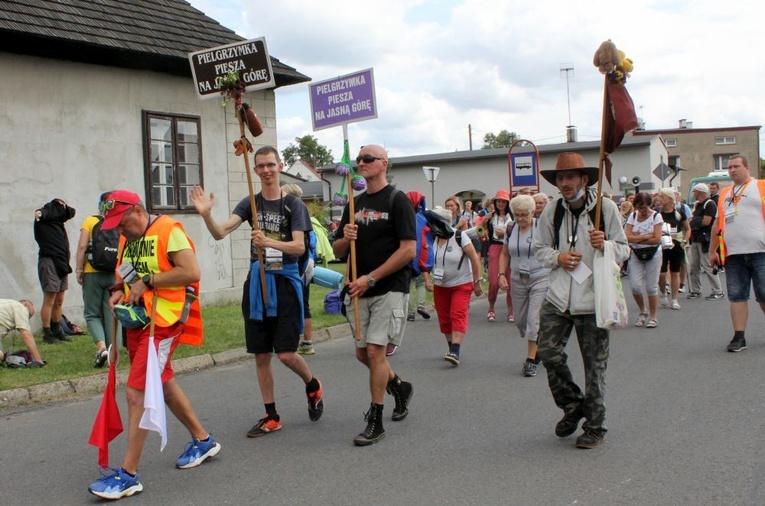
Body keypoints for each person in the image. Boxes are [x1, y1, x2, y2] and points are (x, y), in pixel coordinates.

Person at [88, 191, 220, 500]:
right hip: (139, 322)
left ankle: (129, 475)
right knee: (162, 381)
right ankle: (203, 440)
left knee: (137, 392)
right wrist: (118, 290)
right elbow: (125, 274)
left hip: (164, 322)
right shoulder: (127, 237)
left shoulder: (168, 229)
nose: (118, 231)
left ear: (136, 210)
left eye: (121, 223)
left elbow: (191, 272)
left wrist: (147, 281)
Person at [189, 146, 324, 437]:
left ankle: (312, 385)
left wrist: (269, 243)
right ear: (255, 170)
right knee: (261, 354)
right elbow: (219, 232)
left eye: (270, 165)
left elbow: (299, 247)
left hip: (285, 281)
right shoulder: (250, 202)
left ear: (280, 165)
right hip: (257, 282)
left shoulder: (293, 204)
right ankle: (271, 415)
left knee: (286, 354)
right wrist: (206, 216)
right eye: (260, 166)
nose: (266, 170)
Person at [532, 152, 629, 449]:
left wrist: (606, 245)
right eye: (560, 178)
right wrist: (558, 257)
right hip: (558, 297)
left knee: (594, 366)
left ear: (584, 180)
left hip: (594, 298)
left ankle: (596, 426)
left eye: (570, 177)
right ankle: (573, 405)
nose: (564, 183)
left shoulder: (605, 208)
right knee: (547, 354)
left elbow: (624, 250)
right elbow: (538, 249)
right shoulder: (552, 211)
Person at [332, 144, 416, 446]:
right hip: (359, 287)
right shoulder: (353, 204)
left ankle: (376, 420)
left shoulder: (398, 200)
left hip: (389, 286)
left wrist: (371, 278)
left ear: (383, 164)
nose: (361, 163)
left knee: (375, 352)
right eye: (359, 159)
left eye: (368, 159)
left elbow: (408, 250)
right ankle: (397, 385)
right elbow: (337, 250)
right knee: (361, 353)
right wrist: (346, 237)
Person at [710, 155, 765, 353]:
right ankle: (739, 336)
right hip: (733, 254)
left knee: (764, 295)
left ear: (747, 168)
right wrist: (713, 251)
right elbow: (717, 224)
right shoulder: (724, 193)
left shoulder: (761, 186)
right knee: (737, 296)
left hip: (761, 251)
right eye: (730, 167)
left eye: (736, 166)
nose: (732, 170)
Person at [498, 195, 549, 377]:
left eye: (524, 215)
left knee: (533, 318)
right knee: (520, 320)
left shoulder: (541, 228)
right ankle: (538, 344)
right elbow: (504, 253)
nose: (520, 219)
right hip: (518, 278)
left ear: (532, 213)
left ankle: (530, 360)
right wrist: (501, 274)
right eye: (517, 215)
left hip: (540, 277)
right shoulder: (511, 229)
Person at [429, 206, 483, 365]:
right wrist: (427, 279)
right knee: (444, 318)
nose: (432, 226)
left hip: (461, 284)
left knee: (457, 314)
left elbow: (474, 258)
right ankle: (451, 347)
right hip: (441, 285)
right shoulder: (434, 238)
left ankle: (455, 350)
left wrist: (477, 281)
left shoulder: (460, 236)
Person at [75, 192, 117, 368]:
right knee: (112, 313)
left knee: (92, 314)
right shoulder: (119, 223)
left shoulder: (90, 221)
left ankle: (102, 348)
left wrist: (78, 269)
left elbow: (83, 246)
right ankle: (113, 352)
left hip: (92, 271)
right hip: (114, 273)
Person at [280, 183, 317, 356]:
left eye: (284, 194)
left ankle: (305, 341)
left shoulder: (298, 213)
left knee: (302, 303)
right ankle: (303, 341)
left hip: (301, 266)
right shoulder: (300, 212)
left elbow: (303, 246)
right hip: (304, 265)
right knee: (300, 302)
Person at [34, 198, 76, 344]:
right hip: (49, 262)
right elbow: (42, 213)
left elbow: (71, 212)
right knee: (50, 299)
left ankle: (58, 330)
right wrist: (40, 212)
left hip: (62, 263)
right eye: (60, 206)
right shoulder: (44, 221)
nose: (64, 209)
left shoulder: (58, 223)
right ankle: (47, 333)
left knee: (59, 300)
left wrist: (63, 204)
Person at [624, 193, 663, 328]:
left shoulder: (656, 216)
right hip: (636, 253)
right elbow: (626, 237)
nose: (643, 211)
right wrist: (646, 237)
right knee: (634, 286)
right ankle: (643, 310)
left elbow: (657, 238)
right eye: (640, 207)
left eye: (645, 207)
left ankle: (653, 317)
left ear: (650, 205)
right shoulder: (633, 216)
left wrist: (637, 237)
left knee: (651, 287)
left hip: (654, 254)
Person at [686, 183, 723, 300]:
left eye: (695, 192)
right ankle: (696, 290)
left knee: (708, 265)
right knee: (693, 265)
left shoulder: (709, 204)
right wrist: (696, 221)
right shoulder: (699, 205)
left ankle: (717, 290)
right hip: (696, 238)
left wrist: (694, 222)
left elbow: (707, 221)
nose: (693, 194)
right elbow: (695, 220)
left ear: (699, 192)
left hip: (705, 239)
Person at [657, 188, 690, 310]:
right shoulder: (657, 213)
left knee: (675, 273)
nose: (660, 199)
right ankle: (663, 292)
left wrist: (685, 241)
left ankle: (675, 299)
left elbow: (688, 228)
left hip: (676, 244)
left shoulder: (679, 213)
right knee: (661, 273)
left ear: (670, 199)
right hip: (661, 246)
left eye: (662, 197)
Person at [485, 190, 513, 322]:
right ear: (495, 202)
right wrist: (483, 222)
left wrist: (506, 233)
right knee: (494, 281)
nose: (501, 203)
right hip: (495, 247)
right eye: (499, 201)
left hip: (510, 248)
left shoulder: (513, 215)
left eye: (503, 201)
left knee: (511, 281)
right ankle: (491, 307)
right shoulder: (491, 216)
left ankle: (511, 310)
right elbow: (479, 229)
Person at [0, 299, 45, 367]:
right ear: (27, 305)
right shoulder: (21, 308)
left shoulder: (7, 306)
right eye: (28, 315)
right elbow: (26, 335)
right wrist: (38, 360)